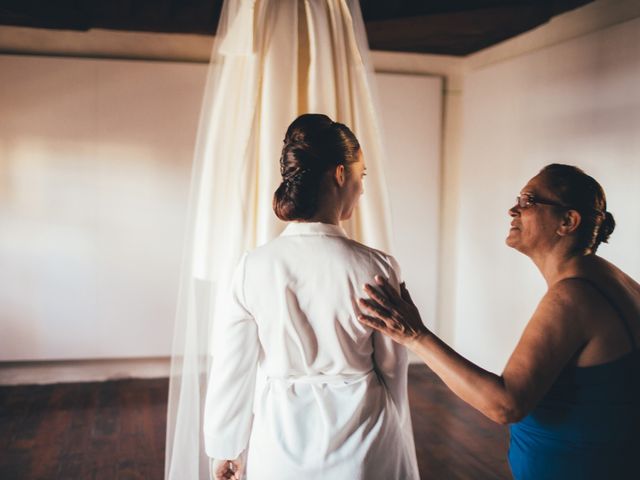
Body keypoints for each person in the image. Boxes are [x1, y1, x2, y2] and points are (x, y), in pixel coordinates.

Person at [359, 164, 640, 479]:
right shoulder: (614, 279)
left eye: (528, 200)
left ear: (567, 221)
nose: (513, 210)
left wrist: (414, 336)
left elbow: (505, 405)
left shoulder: (573, 296)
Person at [203, 113, 419, 480]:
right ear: (340, 174)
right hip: (364, 441)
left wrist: (227, 447)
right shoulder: (379, 266)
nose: (361, 189)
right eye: (360, 176)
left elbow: (232, 367)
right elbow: (392, 367)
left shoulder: (252, 267)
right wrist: (394, 421)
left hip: (280, 441)